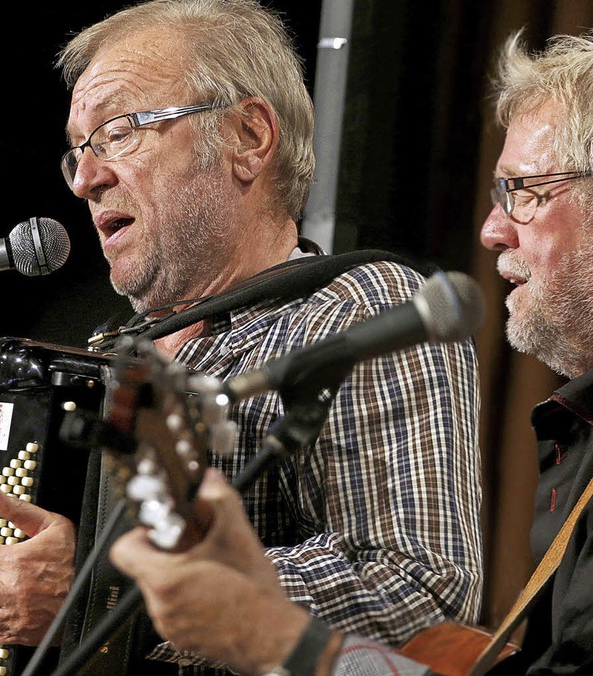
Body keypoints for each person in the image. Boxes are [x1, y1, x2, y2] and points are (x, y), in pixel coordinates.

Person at [0, 1, 482, 673]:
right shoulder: (104, 357)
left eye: (118, 131)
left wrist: (113, 585)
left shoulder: (359, 313)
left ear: (248, 137)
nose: (87, 179)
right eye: (78, 151)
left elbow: (421, 589)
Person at [112, 26, 593, 676]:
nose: (490, 229)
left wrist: (264, 629)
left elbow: (422, 589)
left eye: (524, 191)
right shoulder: (579, 442)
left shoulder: (361, 306)